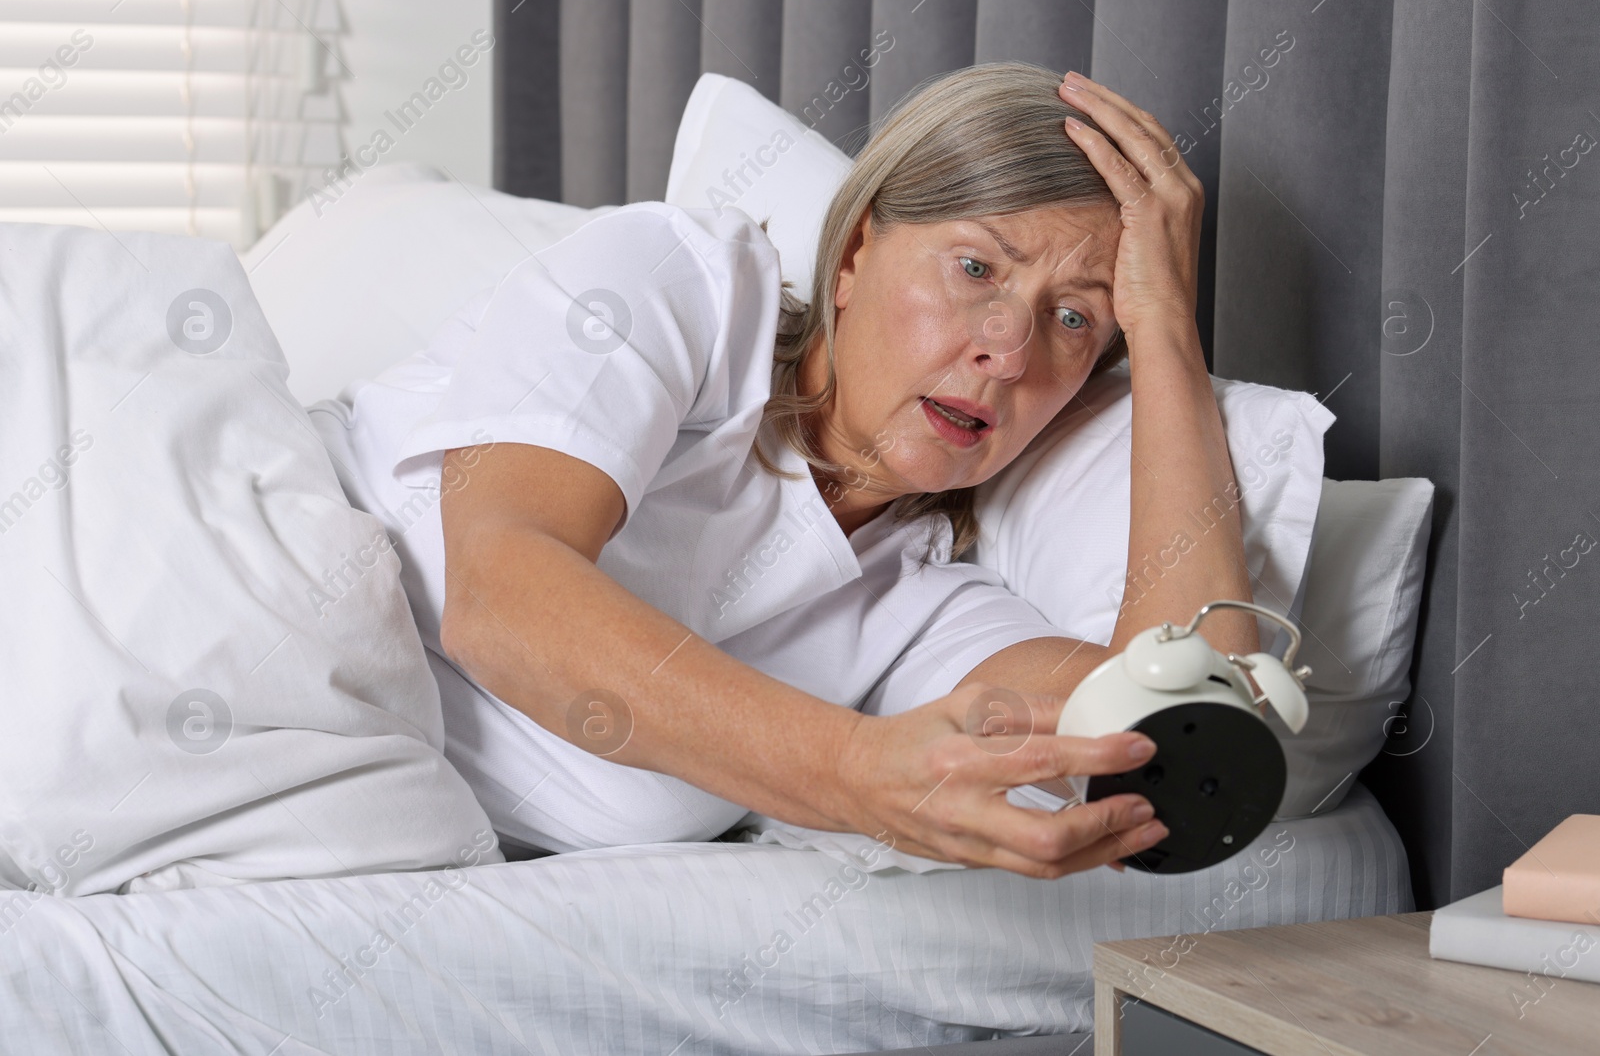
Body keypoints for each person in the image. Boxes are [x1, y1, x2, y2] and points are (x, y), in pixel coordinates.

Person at [316, 61, 1257, 879]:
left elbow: (1181, 745)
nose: (1008, 353)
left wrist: (1168, 332)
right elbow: (503, 599)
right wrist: (853, 771)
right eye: (976, 269)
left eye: (1074, 319)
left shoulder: (922, 611)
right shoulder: (686, 290)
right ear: (853, 256)